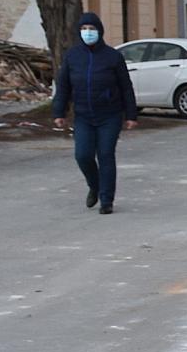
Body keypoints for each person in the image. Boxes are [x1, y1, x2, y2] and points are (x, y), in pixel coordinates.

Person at [51, 12, 138, 214]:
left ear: (99, 31)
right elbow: (63, 86)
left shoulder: (112, 56)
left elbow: (126, 86)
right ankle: (95, 185)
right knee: (83, 155)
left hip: (110, 115)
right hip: (83, 115)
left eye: (91, 29)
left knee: (106, 154)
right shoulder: (73, 56)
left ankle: (107, 200)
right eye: (84, 29)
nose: (88, 33)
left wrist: (131, 115)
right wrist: (59, 112)